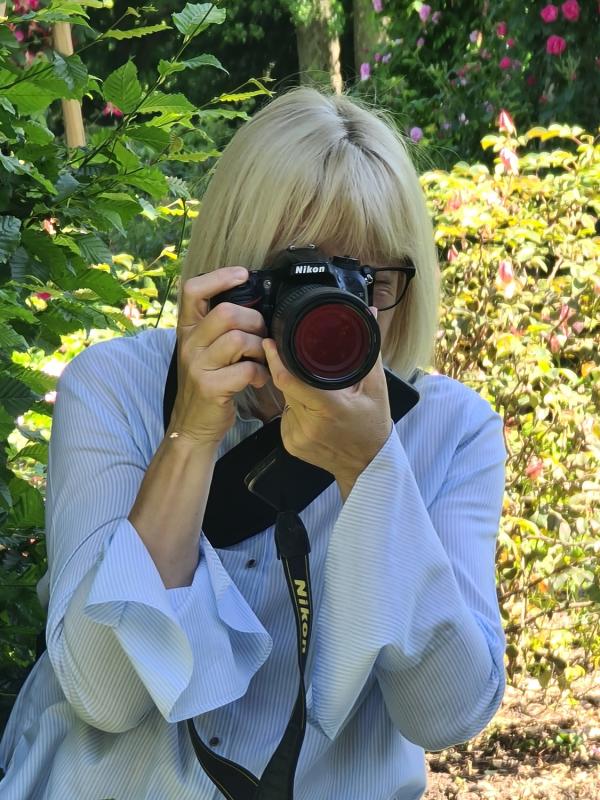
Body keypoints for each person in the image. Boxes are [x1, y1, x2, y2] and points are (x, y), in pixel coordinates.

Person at [0, 85, 508, 799]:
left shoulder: (449, 429)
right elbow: (104, 694)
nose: (336, 312)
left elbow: (448, 714)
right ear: (232, 273)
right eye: (301, 279)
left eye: (366, 282)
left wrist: (372, 472)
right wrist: (190, 435)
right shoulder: (117, 387)